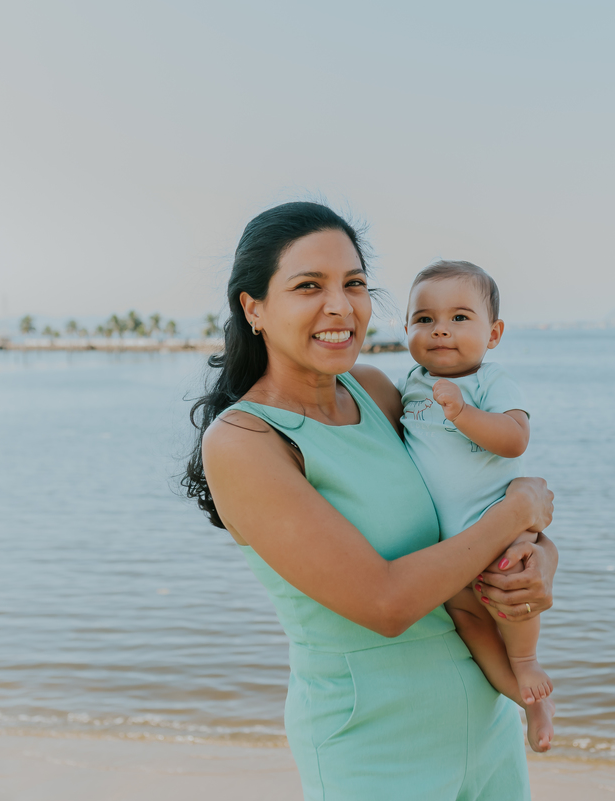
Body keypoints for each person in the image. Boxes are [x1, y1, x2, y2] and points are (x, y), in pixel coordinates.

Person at [182, 202, 559, 801]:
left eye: (354, 284)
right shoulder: (244, 441)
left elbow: (464, 507)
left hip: (486, 726)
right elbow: (386, 602)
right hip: (375, 747)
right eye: (309, 286)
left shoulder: (382, 392)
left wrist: (538, 558)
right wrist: (520, 511)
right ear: (253, 307)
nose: (342, 306)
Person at [400, 260, 554, 753]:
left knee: (511, 596)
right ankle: (525, 701)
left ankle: (527, 662)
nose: (440, 328)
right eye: (423, 319)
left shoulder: (491, 381)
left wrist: (463, 413)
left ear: (494, 334)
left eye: (460, 317)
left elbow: (514, 439)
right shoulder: (410, 384)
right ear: (406, 329)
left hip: (494, 527)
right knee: (468, 622)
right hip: (448, 550)